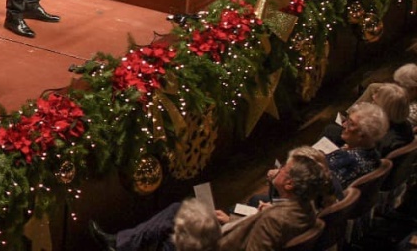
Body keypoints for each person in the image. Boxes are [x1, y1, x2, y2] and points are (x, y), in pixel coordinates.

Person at [89, 147, 331, 251]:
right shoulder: (305, 208)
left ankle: (123, 244)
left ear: (289, 184)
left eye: (282, 170)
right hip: (232, 233)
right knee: (178, 210)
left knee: (176, 228)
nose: (276, 170)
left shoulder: (275, 219)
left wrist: (227, 225)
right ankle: (123, 243)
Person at [325, 84, 413, 154]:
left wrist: (349, 148)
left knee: (331, 130)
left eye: (374, 102)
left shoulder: (381, 138)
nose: (371, 102)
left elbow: (365, 148)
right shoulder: (405, 124)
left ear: (384, 108)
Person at [325, 101, 387, 188]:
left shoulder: (344, 159)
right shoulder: (375, 155)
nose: (344, 124)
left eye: (351, 124)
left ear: (362, 135)